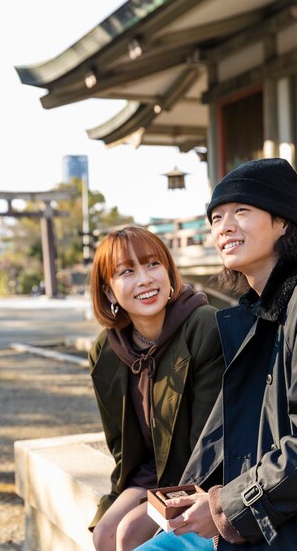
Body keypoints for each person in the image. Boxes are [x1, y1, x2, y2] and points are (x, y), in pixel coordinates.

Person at [134, 158, 297, 551]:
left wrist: (225, 508)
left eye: (241, 211)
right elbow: (228, 439)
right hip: (266, 518)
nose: (224, 227)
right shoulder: (258, 316)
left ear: (283, 221)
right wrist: (189, 500)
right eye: (216, 217)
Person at [88, 226, 224, 551]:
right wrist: (121, 497)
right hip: (150, 474)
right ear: (109, 292)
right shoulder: (106, 351)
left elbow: (211, 441)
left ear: (168, 270)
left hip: (202, 474)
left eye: (152, 265)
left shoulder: (204, 326)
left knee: (131, 532)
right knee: (104, 534)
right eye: (127, 271)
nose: (145, 279)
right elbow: (123, 448)